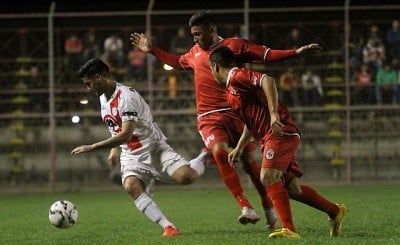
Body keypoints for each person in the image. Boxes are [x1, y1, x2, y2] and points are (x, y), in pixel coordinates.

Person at [130, 11, 322, 229]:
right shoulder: (194, 53)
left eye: (198, 34)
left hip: (237, 111)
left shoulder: (233, 46)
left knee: (251, 165)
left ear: (211, 31)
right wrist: (152, 50)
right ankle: (245, 206)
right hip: (209, 116)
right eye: (192, 35)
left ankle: (268, 207)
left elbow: (265, 55)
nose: (194, 39)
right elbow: (176, 62)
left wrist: (295, 52)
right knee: (220, 152)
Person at [209, 45, 347, 239]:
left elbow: (268, 80)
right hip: (269, 137)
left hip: (280, 131)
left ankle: (289, 229)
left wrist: (274, 114)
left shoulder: (237, 76)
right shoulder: (230, 92)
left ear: (215, 67)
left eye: (210, 69)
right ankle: (335, 211)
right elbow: (250, 122)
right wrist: (239, 147)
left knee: (267, 177)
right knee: (293, 189)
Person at [71, 58, 207, 237]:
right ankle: (168, 227)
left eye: (89, 84)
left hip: (153, 148)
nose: (88, 89)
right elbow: (116, 127)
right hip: (130, 155)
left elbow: (126, 134)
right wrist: (114, 150)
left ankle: (204, 156)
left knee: (186, 178)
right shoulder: (103, 98)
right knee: (130, 185)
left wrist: (93, 147)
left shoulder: (126, 97)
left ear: (100, 77)